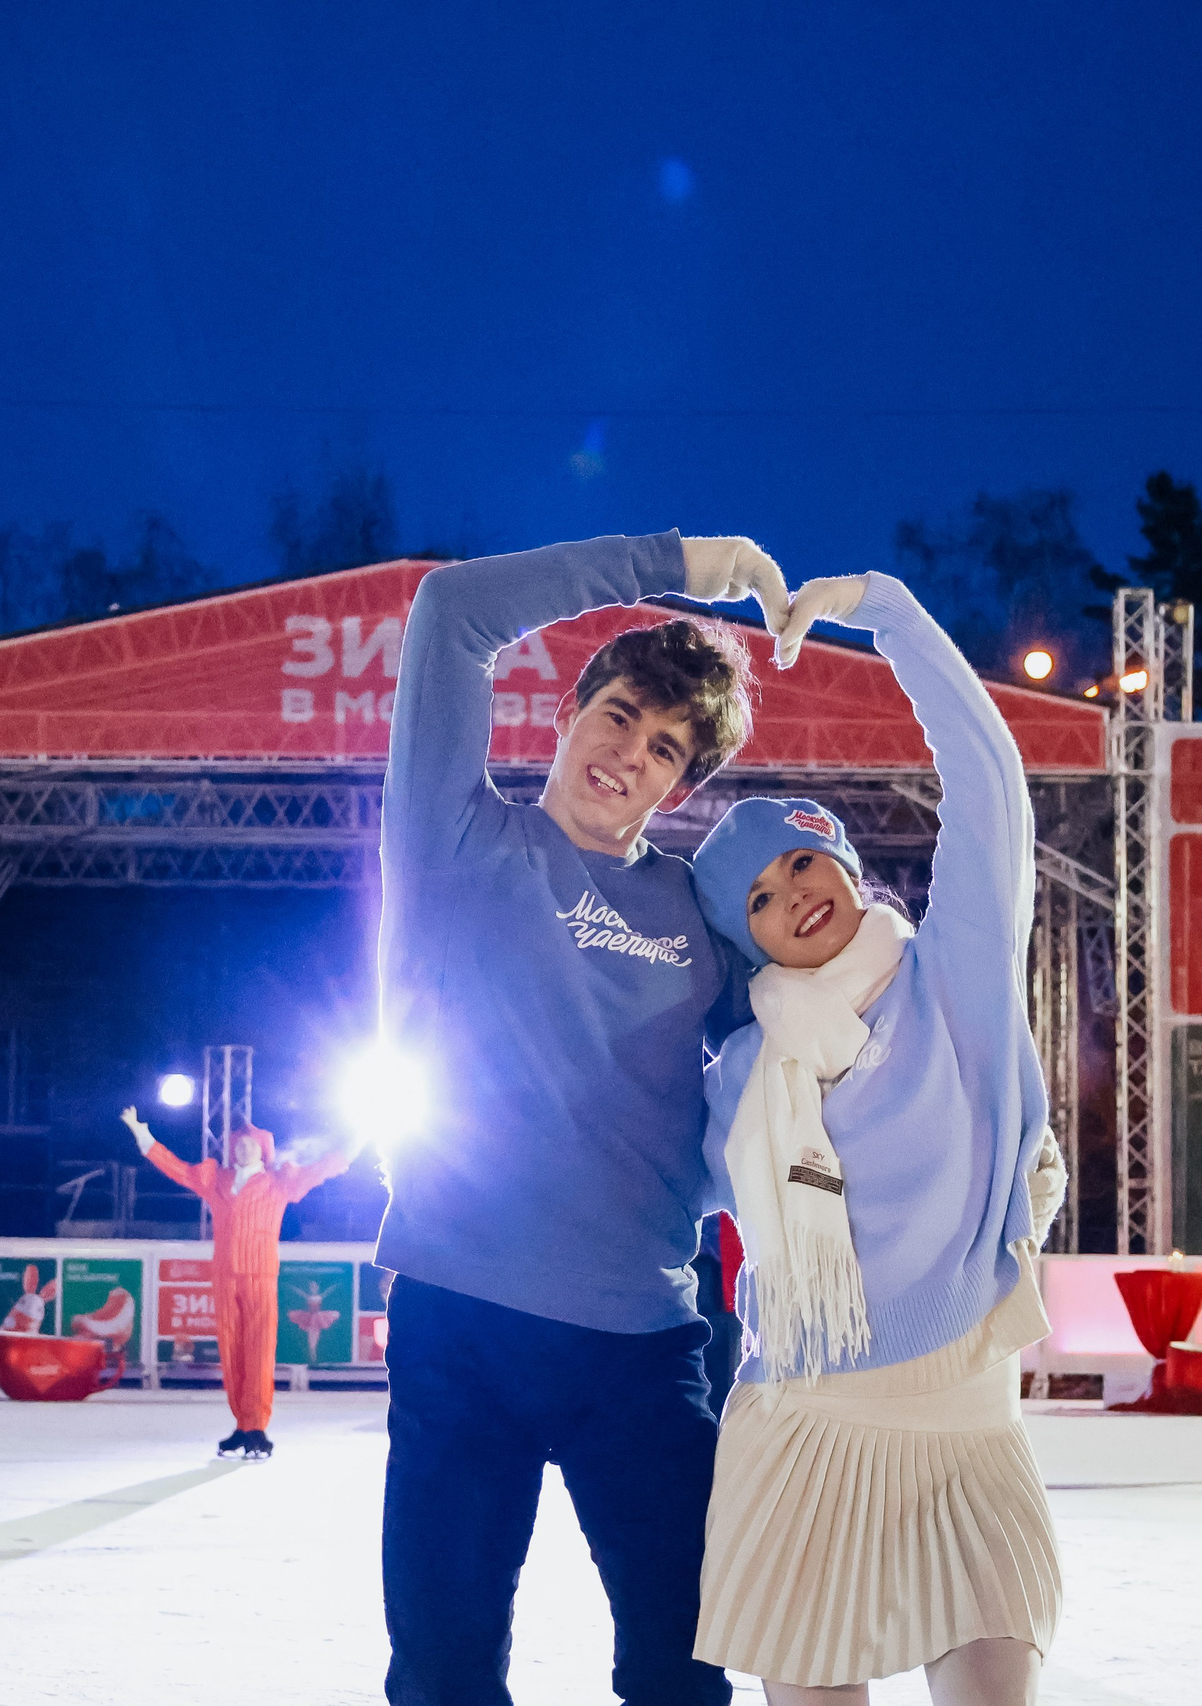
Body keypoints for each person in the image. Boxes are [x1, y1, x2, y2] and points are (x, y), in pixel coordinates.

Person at [376, 530, 816, 1706]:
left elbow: (812, 1043)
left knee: (685, 1671)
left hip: (644, 1338)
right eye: (618, 714)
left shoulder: (696, 916)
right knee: (444, 1671)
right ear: (569, 709)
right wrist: (673, 559)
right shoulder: (458, 835)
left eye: (665, 747)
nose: (629, 753)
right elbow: (450, 609)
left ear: (683, 784)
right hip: (459, 1321)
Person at [689, 572, 1072, 1705]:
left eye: (800, 859)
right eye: (756, 896)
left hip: (964, 1416)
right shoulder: (742, 1077)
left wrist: (891, 614)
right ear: (749, 942)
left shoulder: (953, 972)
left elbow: (991, 780)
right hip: (805, 1426)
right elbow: (641, 1186)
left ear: (842, 860)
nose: (790, 892)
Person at [122, 1111, 358, 1458]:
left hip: (260, 1275)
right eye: (239, 1145)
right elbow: (179, 1170)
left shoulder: (279, 1182)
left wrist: (359, 1139)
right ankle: (242, 1424)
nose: (244, 1150)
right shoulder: (217, 1180)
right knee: (232, 1353)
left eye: (250, 1145)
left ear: (263, 1150)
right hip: (225, 1275)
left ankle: (257, 1426)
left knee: (259, 1351)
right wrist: (143, 1135)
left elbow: (322, 1169)